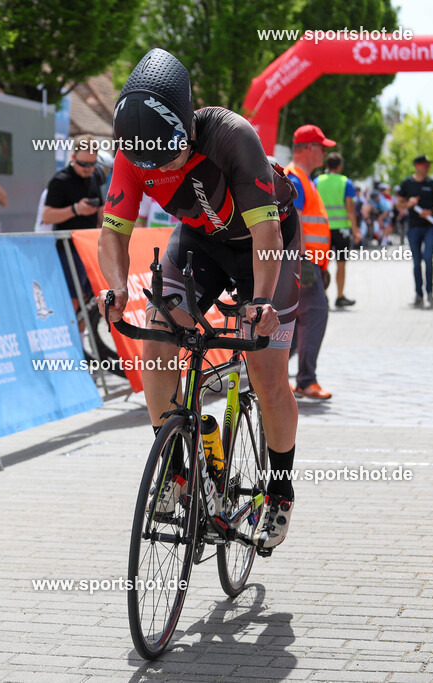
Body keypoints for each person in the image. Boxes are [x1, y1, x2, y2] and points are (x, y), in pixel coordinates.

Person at [98, 48, 301, 549]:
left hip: (262, 243)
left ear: (187, 126)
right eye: (149, 164)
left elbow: (268, 234)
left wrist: (261, 302)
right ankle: (174, 467)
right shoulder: (134, 150)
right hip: (200, 241)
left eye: (170, 157)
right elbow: (113, 232)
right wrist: (116, 286)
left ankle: (280, 490)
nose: (160, 170)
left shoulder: (232, 136)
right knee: (157, 336)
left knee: (267, 375)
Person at [285, 125, 333, 400]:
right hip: (303, 261)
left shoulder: (303, 178)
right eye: (322, 147)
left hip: (307, 262)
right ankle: (305, 380)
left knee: (297, 322)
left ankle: (275, 375)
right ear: (310, 148)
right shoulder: (296, 177)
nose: (325, 153)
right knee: (315, 314)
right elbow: (295, 221)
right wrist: (302, 261)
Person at [43, 135, 105, 310]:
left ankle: (81, 327)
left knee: (91, 299)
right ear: (73, 158)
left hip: (90, 247)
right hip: (68, 249)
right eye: (82, 163)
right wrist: (76, 209)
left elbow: (101, 209)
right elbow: (47, 216)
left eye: (92, 164)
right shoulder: (60, 180)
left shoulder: (95, 176)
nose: (87, 168)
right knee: (73, 298)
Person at [397, 154, 433, 307]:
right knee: (416, 262)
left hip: (430, 226)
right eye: (425, 165)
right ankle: (419, 294)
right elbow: (399, 205)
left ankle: (430, 293)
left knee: (428, 259)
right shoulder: (407, 183)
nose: (427, 168)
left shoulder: (432, 184)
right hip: (414, 227)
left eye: (428, 165)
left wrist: (431, 212)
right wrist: (409, 204)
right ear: (417, 166)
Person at [315, 152, 360, 308]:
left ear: (327, 165)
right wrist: (355, 229)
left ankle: (323, 296)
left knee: (323, 264)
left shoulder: (317, 181)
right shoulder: (345, 182)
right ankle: (340, 297)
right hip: (341, 230)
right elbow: (350, 209)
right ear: (340, 166)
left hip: (322, 230)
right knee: (341, 264)